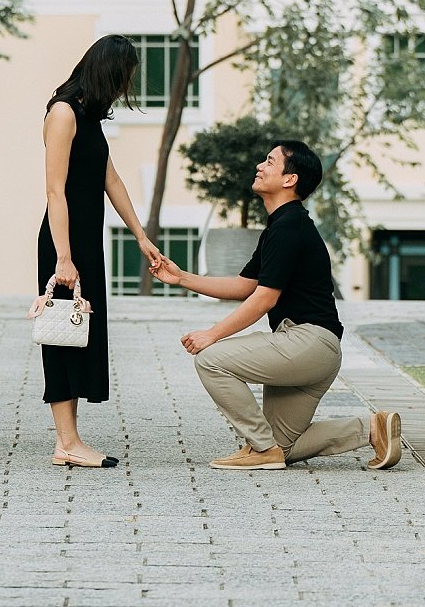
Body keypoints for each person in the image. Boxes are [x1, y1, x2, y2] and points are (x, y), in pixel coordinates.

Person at [150, 140, 402, 471]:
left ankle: (260, 448)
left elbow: (265, 298)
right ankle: (371, 428)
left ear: (289, 179)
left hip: (306, 342)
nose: (260, 165)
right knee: (287, 447)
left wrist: (212, 334)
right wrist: (182, 278)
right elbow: (245, 286)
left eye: (270, 161)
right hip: (315, 350)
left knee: (211, 361)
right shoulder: (282, 226)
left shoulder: (289, 226)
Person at [38, 34, 163, 468]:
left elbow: (111, 179)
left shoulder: (89, 118)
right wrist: (64, 257)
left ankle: (71, 441)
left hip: (87, 240)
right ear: (107, 72)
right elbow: (55, 190)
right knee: (61, 334)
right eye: (123, 78)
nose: (124, 88)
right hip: (64, 240)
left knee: (79, 334)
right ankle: (66, 443)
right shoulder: (63, 114)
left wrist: (141, 236)